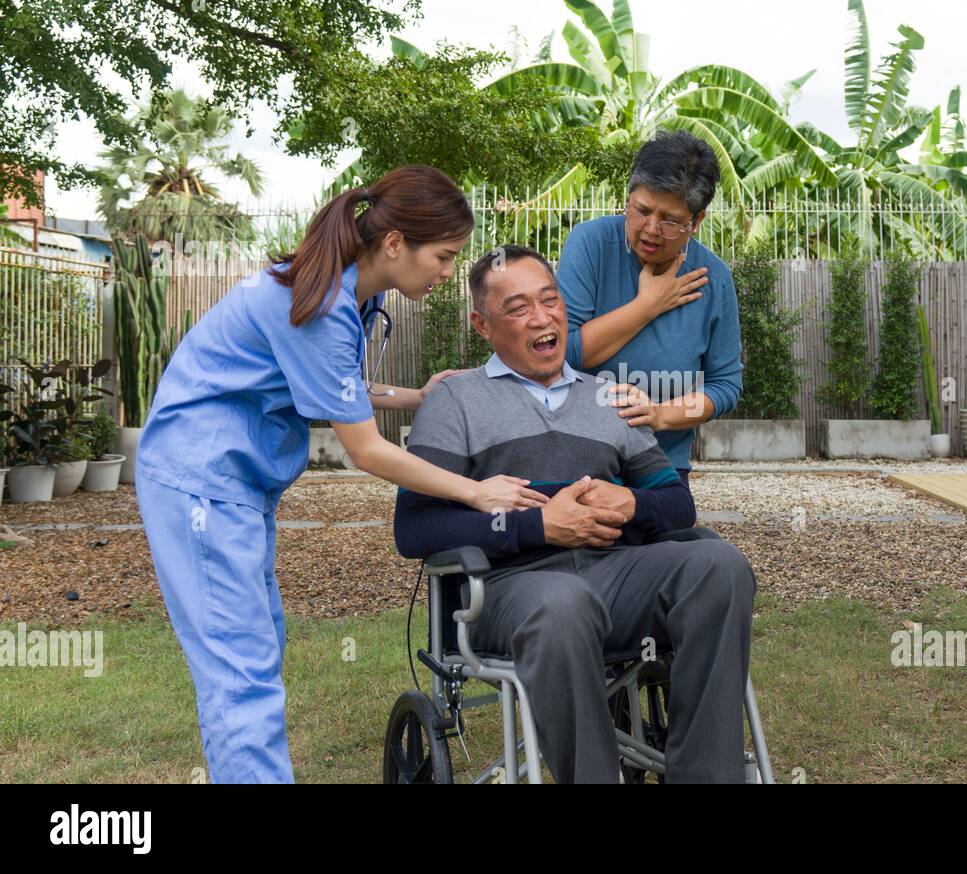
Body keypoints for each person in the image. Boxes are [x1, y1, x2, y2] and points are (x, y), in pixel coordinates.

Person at [135, 165, 549, 784]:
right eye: (443, 256)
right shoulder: (324, 302)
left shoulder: (355, 292)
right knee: (239, 666)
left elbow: (338, 386)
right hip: (200, 481)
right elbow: (366, 451)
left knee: (255, 648)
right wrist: (475, 490)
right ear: (393, 245)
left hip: (235, 486)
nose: (446, 273)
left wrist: (414, 396)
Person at [395, 245, 757, 783]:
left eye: (550, 300)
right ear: (482, 324)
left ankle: (704, 775)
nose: (543, 318)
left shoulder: (611, 397)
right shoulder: (454, 402)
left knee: (720, 566)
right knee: (564, 603)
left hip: (615, 573)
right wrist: (537, 525)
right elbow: (416, 527)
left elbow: (678, 505)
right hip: (512, 585)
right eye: (518, 308)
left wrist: (631, 503)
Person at [557, 130, 743, 486]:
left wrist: (660, 414)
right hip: (575, 454)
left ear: (697, 221)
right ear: (628, 200)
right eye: (641, 211)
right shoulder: (591, 243)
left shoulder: (713, 279)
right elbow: (563, 353)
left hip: (660, 464)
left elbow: (724, 386)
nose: (651, 230)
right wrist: (647, 306)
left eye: (670, 220)